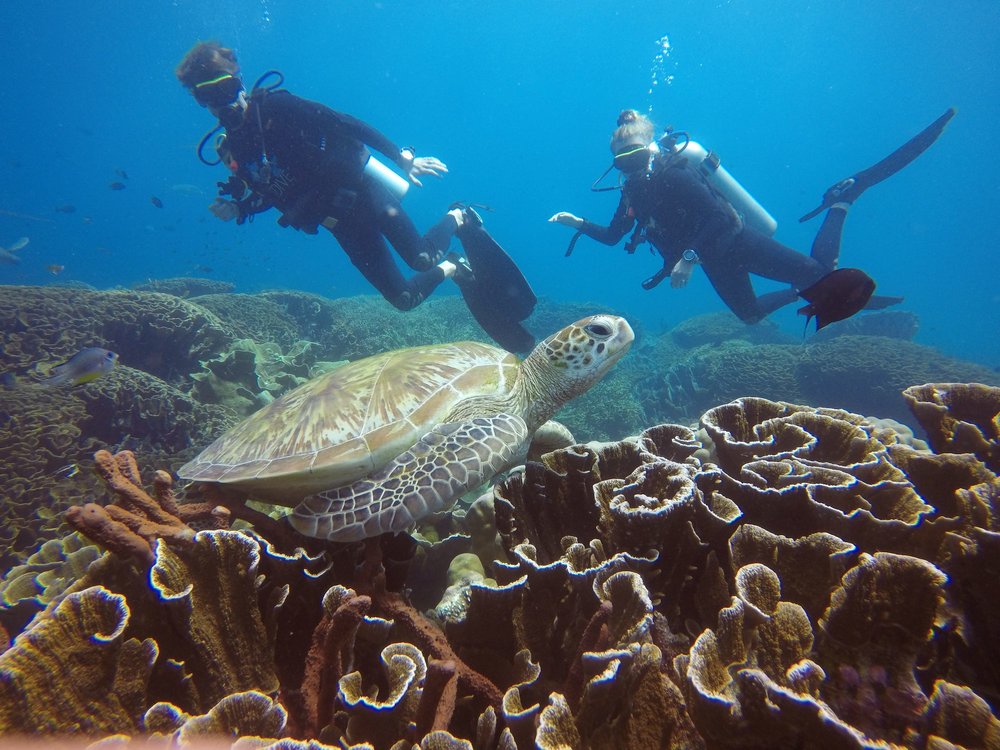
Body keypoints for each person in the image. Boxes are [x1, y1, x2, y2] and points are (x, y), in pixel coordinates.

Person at [549, 108, 954, 326]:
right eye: (622, 163)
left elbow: (718, 219)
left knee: (825, 273)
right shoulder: (632, 190)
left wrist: (688, 259)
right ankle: (809, 290)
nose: (632, 168)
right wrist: (579, 225)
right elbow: (614, 236)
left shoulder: (677, 172)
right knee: (750, 316)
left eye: (637, 156)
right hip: (712, 258)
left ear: (652, 149)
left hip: (737, 241)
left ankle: (841, 200)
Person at [175, 41, 477, 313]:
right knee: (404, 300)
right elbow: (274, 192)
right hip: (339, 225)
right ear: (202, 103)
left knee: (421, 258)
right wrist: (240, 208)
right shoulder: (234, 149)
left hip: (363, 193)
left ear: (238, 82)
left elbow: (343, 122)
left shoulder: (278, 107)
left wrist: (400, 157)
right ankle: (453, 265)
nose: (222, 103)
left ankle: (457, 216)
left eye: (225, 89)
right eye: (208, 96)